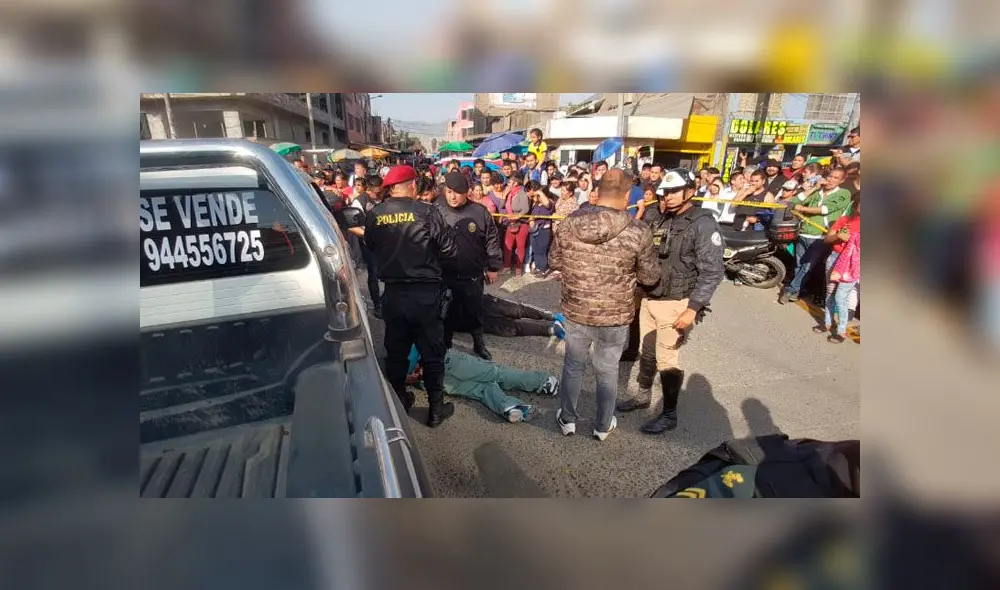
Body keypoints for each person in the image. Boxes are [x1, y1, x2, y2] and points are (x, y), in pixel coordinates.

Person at [548, 168, 661, 441]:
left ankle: (567, 418)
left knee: (573, 365)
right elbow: (650, 276)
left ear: (598, 192)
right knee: (607, 370)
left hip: (577, 309)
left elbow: (553, 262)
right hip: (615, 314)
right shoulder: (638, 230)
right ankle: (601, 426)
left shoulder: (568, 223)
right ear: (625, 195)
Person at [616, 168, 725, 435]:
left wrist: (693, 308)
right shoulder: (658, 217)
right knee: (647, 352)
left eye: (676, 191)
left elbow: (713, 271)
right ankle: (642, 395)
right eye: (666, 192)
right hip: (651, 298)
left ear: (690, 191)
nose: (670, 197)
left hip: (677, 302)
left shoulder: (703, 223)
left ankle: (669, 414)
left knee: (667, 359)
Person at [363, 165, 459, 427]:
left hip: (393, 295)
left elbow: (370, 245)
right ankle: (436, 410)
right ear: (412, 185)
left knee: (396, 351)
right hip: (426, 295)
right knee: (432, 353)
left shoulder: (376, 213)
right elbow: (449, 250)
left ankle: (396, 403)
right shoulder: (426, 212)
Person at [438, 171, 503, 360]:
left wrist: (493, 267)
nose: (452, 196)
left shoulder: (479, 212)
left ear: (467, 192)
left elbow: (492, 240)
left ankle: (478, 344)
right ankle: (446, 345)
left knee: (474, 311)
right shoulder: (437, 210)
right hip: (446, 274)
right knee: (446, 311)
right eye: (449, 192)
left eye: (457, 192)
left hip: (472, 274)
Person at [405, 345, 559, 424]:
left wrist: (415, 376)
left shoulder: (390, 355)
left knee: (480, 389)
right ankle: (543, 381)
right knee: (497, 372)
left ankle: (509, 406)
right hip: (440, 359)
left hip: (426, 379)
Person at [779, 168, 853, 305]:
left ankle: (790, 290)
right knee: (798, 265)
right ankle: (796, 292)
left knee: (808, 267)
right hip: (803, 233)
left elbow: (826, 210)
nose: (831, 180)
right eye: (830, 176)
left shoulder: (844, 193)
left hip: (821, 236)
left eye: (836, 178)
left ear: (842, 181)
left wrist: (803, 209)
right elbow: (795, 201)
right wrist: (814, 187)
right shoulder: (817, 192)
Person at [815, 195, 860, 343]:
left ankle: (841, 331)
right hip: (835, 258)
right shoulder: (843, 221)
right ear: (856, 205)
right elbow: (827, 239)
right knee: (830, 293)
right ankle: (827, 323)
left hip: (852, 265)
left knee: (841, 297)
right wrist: (838, 236)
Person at [348, 176, 383, 317]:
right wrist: (368, 236)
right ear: (368, 190)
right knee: (374, 273)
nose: (380, 195)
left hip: (388, 242)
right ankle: (378, 304)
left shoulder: (385, 197)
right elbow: (352, 226)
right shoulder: (358, 202)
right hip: (370, 244)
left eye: (381, 192)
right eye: (377, 193)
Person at [480, 293, 566, 339]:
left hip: (475, 297)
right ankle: (551, 329)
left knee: (515, 309)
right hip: (471, 319)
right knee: (510, 328)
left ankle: (552, 316)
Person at [501, 171, 531, 276]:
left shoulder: (521, 193)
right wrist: (504, 194)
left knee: (520, 246)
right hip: (511, 223)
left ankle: (519, 268)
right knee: (508, 246)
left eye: (510, 182)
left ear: (516, 183)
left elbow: (526, 209)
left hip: (522, 223)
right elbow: (502, 206)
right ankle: (507, 266)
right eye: (508, 182)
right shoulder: (509, 193)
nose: (508, 184)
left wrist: (517, 216)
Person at [526, 180, 555, 277]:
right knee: (536, 249)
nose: (534, 197)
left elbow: (547, 204)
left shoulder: (549, 202)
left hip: (544, 229)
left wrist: (538, 192)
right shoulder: (535, 204)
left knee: (542, 250)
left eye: (536, 195)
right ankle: (538, 267)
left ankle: (543, 269)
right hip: (534, 229)